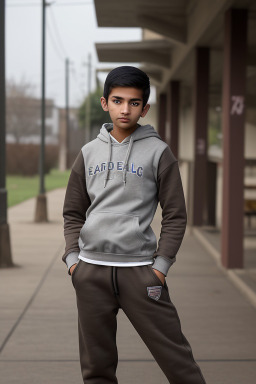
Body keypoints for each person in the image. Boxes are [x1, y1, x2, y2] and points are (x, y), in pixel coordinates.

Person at [62, 66, 207, 384]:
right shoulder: (87, 153)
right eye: (117, 100)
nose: (125, 109)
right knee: (96, 370)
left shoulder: (159, 153)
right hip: (91, 273)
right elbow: (73, 213)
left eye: (134, 102)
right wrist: (74, 261)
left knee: (179, 363)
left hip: (141, 274)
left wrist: (160, 266)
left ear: (145, 107)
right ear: (105, 103)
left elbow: (175, 214)